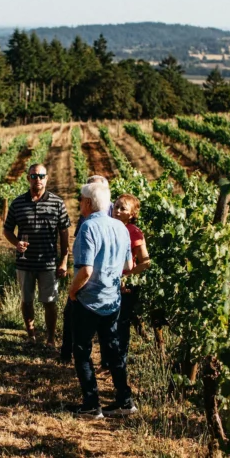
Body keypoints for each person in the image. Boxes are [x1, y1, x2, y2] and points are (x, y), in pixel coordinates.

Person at [67, 182, 135, 419]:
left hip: (89, 301)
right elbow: (128, 266)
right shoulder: (122, 228)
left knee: (83, 351)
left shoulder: (88, 227)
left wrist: (72, 291)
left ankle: (91, 404)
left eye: (80, 200)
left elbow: (85, 270)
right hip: (112, 301)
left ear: (87, 202)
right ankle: (124, 401)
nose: (79, 203)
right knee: (113, 351)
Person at [3, 164, 70, 348]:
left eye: (41, 176)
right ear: (28, 178)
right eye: (34, 176)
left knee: (49, 301)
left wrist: (64, 260)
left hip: (48, 262)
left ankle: (50, 338)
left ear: (47, 178)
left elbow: (64, 233)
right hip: (25, 262)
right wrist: (16, 242)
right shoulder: (17, 203)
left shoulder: (57, 203)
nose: (37, 179)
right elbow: (7, 230)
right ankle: (31, 334)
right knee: (26, 300)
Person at [61, 175, 111, 363]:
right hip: (87, 276)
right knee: (70, 316)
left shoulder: (113, 214)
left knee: (97, 325)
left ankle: (95, 362)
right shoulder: (85, 217)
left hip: (97, 279)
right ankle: (67, 353)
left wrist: (75, 286)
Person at [112, 193, 151, 370]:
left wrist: (126, 277)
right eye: (116, 206)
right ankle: (108, 362)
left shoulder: (134, 232)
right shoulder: (109, 226)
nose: (117, 211)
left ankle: (119, 363)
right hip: (108, 282)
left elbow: (145, 262)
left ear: (132, 214)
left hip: (124, 286)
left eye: (123, 208)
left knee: (121, 326)